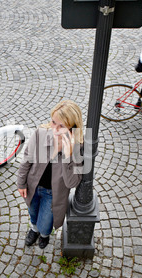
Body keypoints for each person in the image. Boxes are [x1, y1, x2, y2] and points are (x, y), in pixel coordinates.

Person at [17, 100, 84, 249]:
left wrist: (68, 157)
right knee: (33, 212)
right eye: (53, 122)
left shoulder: (79, 147)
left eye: (62, 126)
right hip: (33, 186)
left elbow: (73, 183)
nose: (55, 129)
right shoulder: (40, 134)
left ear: (72, 127)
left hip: (53, 194)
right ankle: (34, 230)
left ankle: (44, 235)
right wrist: (21, 182)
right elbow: (27, 159)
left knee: (46, 223)